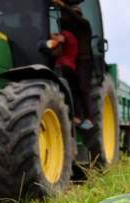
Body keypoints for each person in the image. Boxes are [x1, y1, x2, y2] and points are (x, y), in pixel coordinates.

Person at [52, 0, 95, 130]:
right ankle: (76, 116)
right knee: (73, 89)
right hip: (73, 61)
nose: (74, 17)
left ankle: (89, 118)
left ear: (80, 15)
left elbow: (75, 18)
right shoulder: (72, 32)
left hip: (85, 60)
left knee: (83, 87)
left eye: (76, 14)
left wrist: (64, 6)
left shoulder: (85, 25)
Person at [49, 19, 82, 125]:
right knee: (73, 91)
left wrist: (51, 35)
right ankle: (76, 116)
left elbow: (59, 40)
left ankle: (66, 115)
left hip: (63, 66)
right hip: (72, 67)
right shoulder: (75, 39)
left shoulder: (65, 34)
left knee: (60, 90)